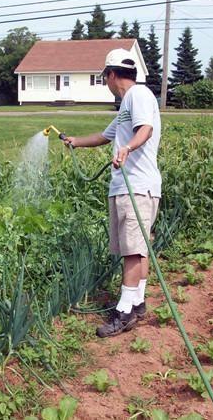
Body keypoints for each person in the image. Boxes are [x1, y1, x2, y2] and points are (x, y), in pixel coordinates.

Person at [63, 48, 161, 338]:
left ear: (112, 75)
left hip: (137, 186)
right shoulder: (126, 106)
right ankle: (138, 303)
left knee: (132, 251)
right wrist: (75, 142)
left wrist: (128, 148)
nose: (105, 82)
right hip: (133, 187)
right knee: (137, 250)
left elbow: (146, 129)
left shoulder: (137, 95)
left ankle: (124, 312)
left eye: (104, 77)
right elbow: (106, 136)